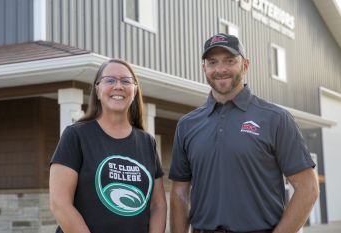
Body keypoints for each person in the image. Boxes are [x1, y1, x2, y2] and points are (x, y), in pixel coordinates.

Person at [169, 33, 319, 233]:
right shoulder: (187, 125)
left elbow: (308, 188)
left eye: (229, 61)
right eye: (212, 62)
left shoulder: (275, 118)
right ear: (204, 68)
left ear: (245, 65)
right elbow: (180, 192)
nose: (220, 69)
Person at [49, 59, 167, 233]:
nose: (118, 86)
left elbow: (158, 206)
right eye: (110, 80)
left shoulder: (147, 143)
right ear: (97, 90)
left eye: (126, 81)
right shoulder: (76, 135)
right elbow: (59, 203)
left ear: (134, 91)